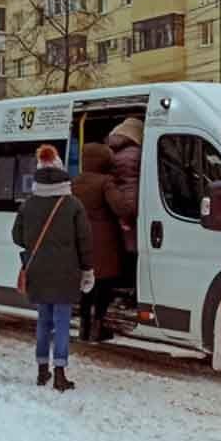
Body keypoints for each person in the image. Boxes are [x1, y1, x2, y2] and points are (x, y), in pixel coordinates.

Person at [12, 144, 94, 391]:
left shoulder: (28, 204)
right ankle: (60, 373)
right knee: (61, 322)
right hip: (66, 273)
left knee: (43, 321)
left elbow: (17, 237)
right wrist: (87, 270)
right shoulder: (72, 205)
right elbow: (85, 241)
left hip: (37, 271)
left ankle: (41, 371)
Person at [72, 142, 125, 342]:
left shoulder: (75, 182)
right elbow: (121, 208)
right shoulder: (106, 182)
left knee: (87, 285)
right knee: (104, 285)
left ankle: (84, 327)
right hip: (105, 243)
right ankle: (98, 326)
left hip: (81, 240)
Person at [106, 116, 144, 278]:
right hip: (135, 201)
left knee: (126, 247)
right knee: (137, 249)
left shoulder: (112, 153)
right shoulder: (137, 153)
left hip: (119, 202)